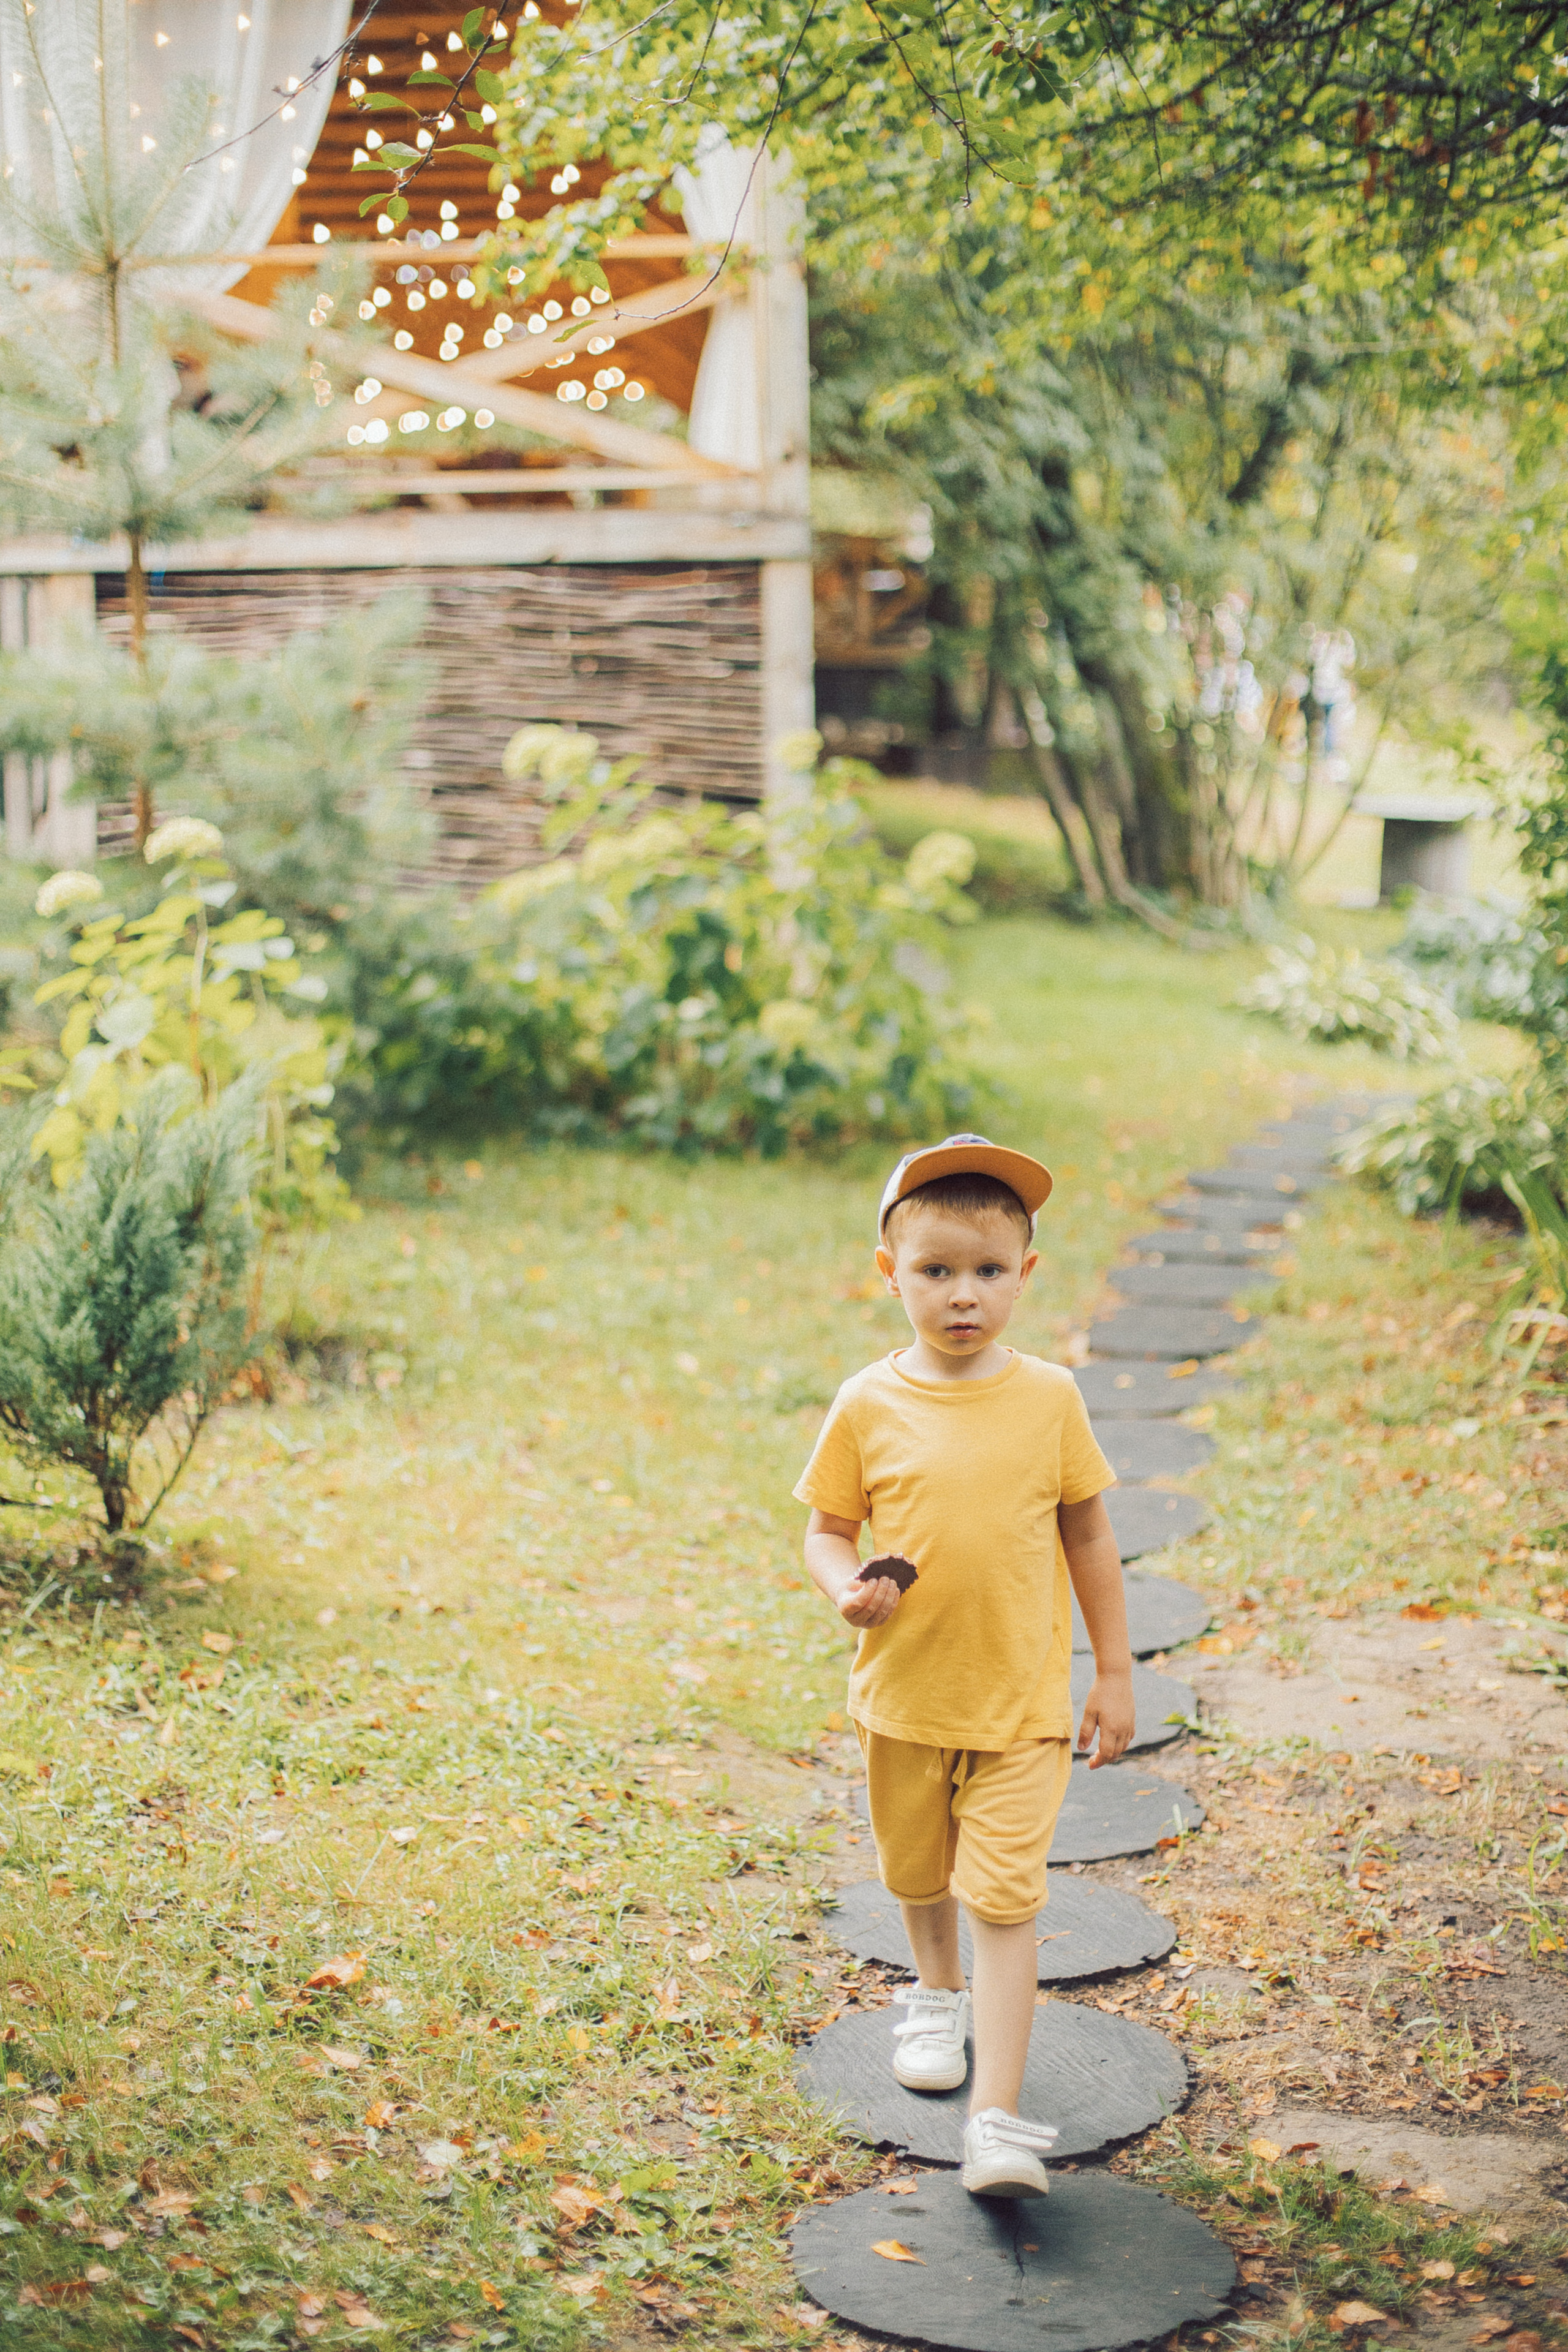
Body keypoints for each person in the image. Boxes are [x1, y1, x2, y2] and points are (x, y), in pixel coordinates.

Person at [793, 1133, 1136, 2199]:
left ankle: (996, 2123)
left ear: (1025, 1277)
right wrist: (844, 1585)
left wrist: (1115, 1671)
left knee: (1005, 1897)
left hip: (1020, 1705)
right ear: (889, 1273)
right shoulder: (866, 1402)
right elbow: (823, 1530)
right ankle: (931, 1992)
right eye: (936, 1271)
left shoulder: (1050, 1399)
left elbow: (1088, 1538)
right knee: (917, 1872)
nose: (963, 1296)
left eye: (989, 1272)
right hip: (902, 1696)